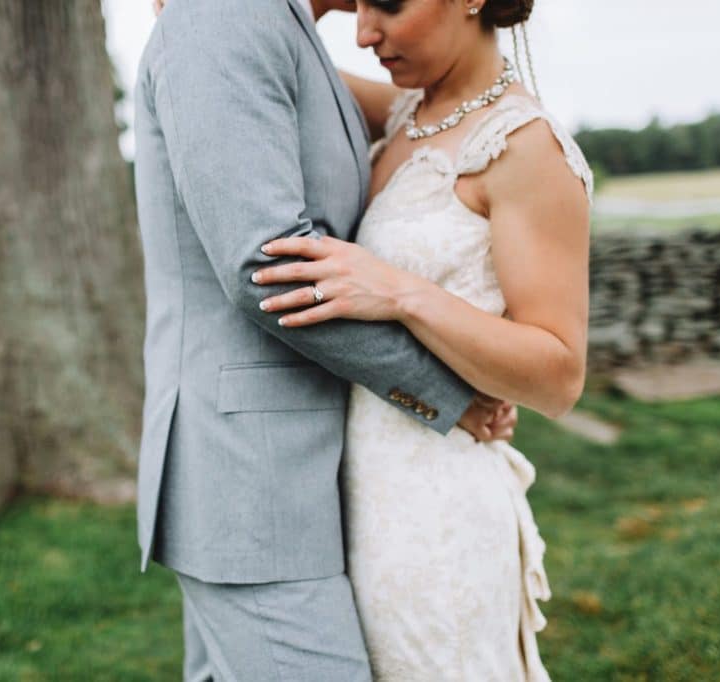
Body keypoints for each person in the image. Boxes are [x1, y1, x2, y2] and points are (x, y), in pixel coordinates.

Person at [134, 0, 519, 679]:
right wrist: (445, 390)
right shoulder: (221, 17)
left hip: (306, 472)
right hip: (253, 480)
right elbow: (266, 266)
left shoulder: (275, 25)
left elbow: (445, 104)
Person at [252, 0, 593, 679]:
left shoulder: (525, 148)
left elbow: (559, 375)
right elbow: (270, 61)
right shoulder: (410, 111)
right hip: (359, 498)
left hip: (438, 519)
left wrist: (401, 294)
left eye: (388, 4)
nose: (364, 32)